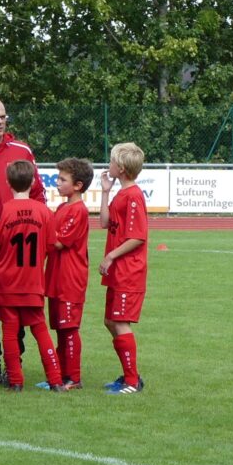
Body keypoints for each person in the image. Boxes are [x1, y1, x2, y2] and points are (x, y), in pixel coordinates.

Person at [0, 97, 45, 386]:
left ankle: (15, 362)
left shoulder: (21, 151)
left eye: (3, 116)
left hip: (14, 250)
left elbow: (38, 194)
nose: (0, 121)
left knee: (15, 310)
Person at [0, 160, 63, 392]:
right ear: (34, 182)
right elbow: (51, 245)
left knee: (9, 331)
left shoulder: (3, 211)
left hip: (6, 283)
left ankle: (16, 381)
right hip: (33, 282)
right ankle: (56, 380)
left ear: (8, 183)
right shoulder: (44, 212)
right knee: (40, 330)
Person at [99, 142, 148, 395]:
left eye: (111, 161)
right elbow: (104, 223)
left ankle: (131, 381)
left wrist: (110, 256)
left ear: (121, 168)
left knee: (119, 322)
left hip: (129, 270)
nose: (109, 165)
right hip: (118, 271)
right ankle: (131, 376)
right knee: (110, 321)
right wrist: (105, 192)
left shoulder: (134, 196)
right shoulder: (121, 194)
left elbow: (137, 236)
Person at [44, 158, 93, 389]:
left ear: (78, 185)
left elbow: (58, 242)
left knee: (69, 328)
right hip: (56, 276)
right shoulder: (63, 208)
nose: (57, 183)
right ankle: (60, 375)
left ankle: (73, 378)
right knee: (60, 328)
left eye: (63, 179)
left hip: (70, 279)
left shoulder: (78, 210)